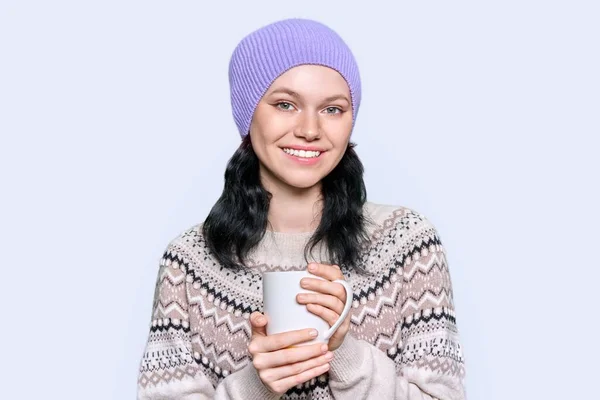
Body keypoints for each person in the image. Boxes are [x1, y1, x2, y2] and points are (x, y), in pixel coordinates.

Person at [137, 18, 466, 400]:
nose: (309, 129)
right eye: (285, 104)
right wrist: (255, 386)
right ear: (248, 114)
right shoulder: (189, 262)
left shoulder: (407, 243)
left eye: (332, 109)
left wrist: (343, 352)